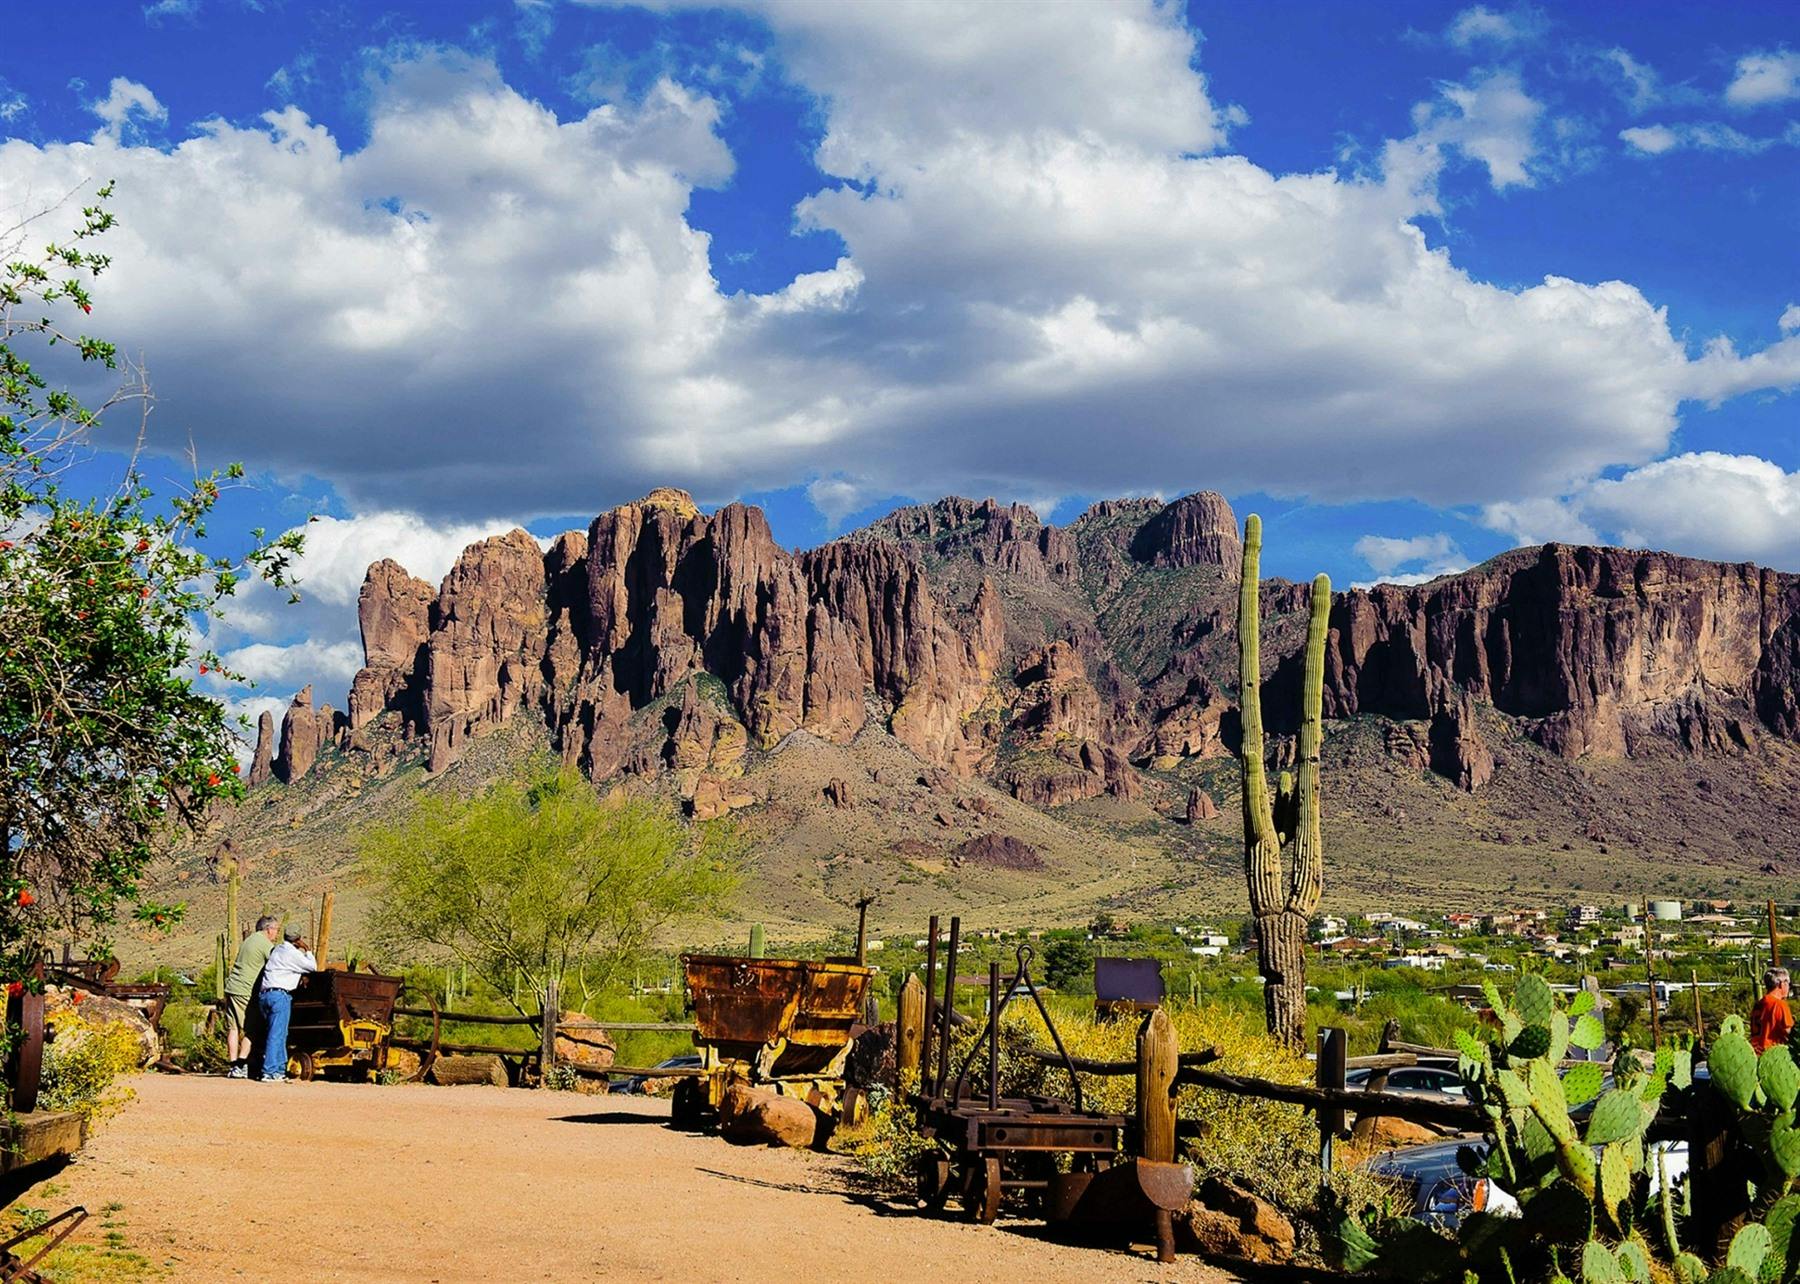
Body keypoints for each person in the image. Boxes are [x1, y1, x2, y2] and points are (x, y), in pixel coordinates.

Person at [258, 925, 319, 1083]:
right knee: (276, 1034)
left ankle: (278, 1070)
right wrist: (308, 950)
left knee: (278, 1033)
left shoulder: (277, 950)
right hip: (280, 995)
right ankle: (269, 1071)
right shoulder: (293, 954)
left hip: (265, 995)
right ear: (298, 939)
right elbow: (312, 967)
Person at [222, 915, 279, 1079]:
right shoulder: (264, 944)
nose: (276, 933)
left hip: (232, 987)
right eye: (276, 930)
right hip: (245, 990)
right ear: (269, 929)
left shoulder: (249, 940)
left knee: (232, 1027)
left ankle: (233, 1065)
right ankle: (240, 1065)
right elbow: (277, 961)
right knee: (251, 1028)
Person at [1752, 966, 1793, 1053]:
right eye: (1788, 984)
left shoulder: (1759, 1004)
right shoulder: (1780, 1004)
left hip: (1755, 1053)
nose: (1789, 987)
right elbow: (1789, 1032)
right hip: (1772, 1054)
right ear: (1782, 984)